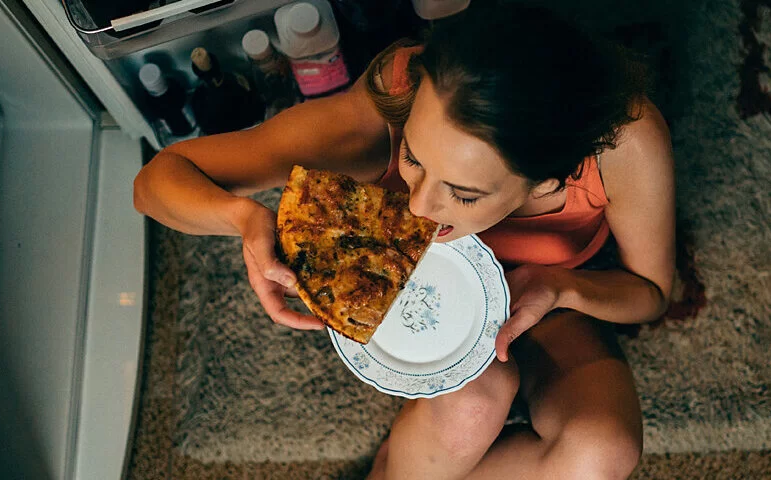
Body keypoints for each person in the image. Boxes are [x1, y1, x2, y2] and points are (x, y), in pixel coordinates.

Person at [132, 4, 675, 478]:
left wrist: (559, 287)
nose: (418, 207)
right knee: (475, 404)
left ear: (550, 179)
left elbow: (650, 291)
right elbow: (156, 182)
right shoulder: (394, 98)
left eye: (463, 194)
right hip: (406, 308)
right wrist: (244, 218)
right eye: (414, 158)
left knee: (604, 454)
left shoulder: (623, 143)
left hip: (547, 311)